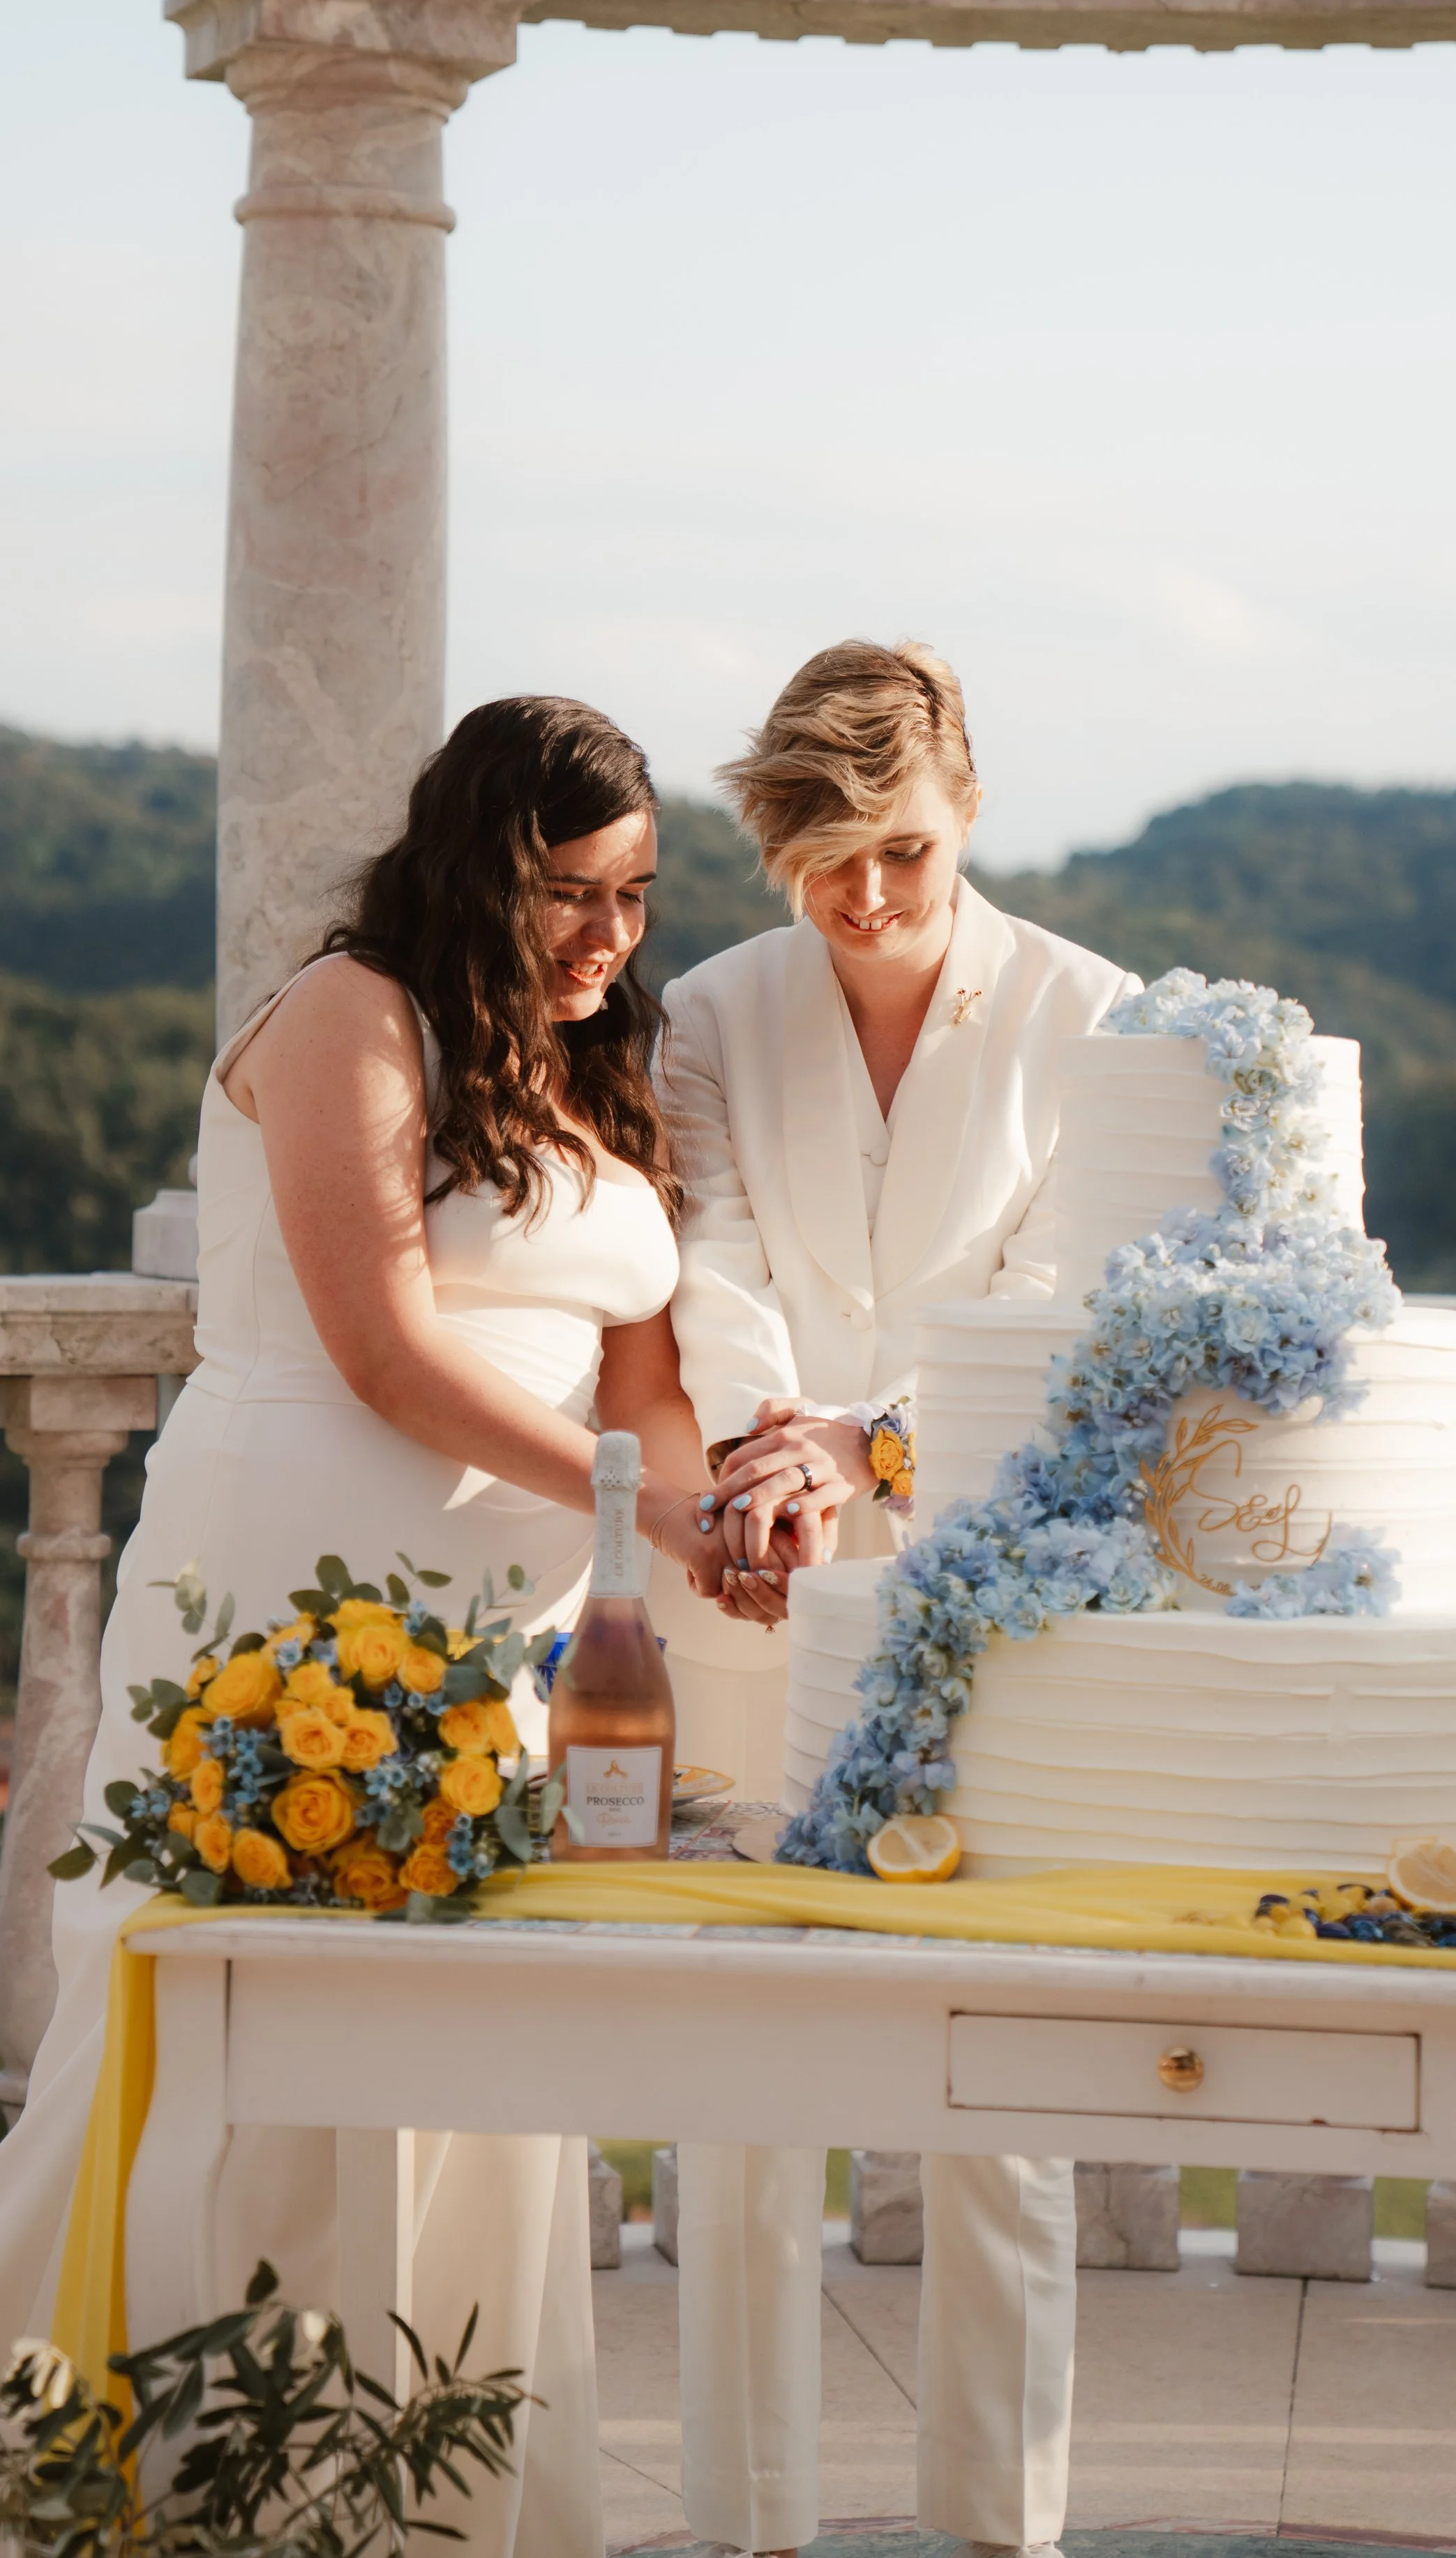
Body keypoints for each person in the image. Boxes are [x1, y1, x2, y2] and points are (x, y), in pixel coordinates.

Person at [0, 696, 729, 2558]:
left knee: (470, 2062)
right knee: (233, 2033)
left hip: (511, 1646)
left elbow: (643, 1373)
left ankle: (438, 2498)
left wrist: (704, 1514)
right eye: (569, 893)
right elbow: (387, 1350)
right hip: (280, 1612)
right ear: (473, 864)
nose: (605, 939)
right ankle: (139, 2489)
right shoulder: (348, 1014)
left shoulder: (597, 1056)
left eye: (637, 897)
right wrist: (641, 1499)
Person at [656, 641, 1139, 2558]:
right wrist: (771, 1457)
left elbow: (1061, 1303)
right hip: (744, 1579)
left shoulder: (1085, 1019)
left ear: (967, 805)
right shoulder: (705, 1008)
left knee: (991, 2072)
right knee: (739, 2060)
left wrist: (873, 1444)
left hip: (973, 1587)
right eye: (823, 857)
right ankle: (747, 2523)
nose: (864, 894)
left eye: (904, 852)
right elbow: (709, 1246)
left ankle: (993, 2530)